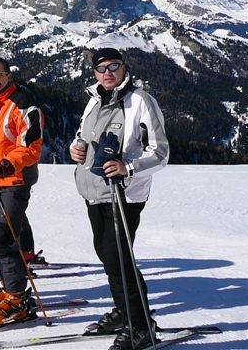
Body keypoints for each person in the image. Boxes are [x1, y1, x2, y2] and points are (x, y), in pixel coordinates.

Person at [70, 47, 169, 350]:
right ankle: (123, 312)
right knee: (108, 255)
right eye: (101, 68)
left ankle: (140, 326)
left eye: (114, 66)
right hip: (93, 191)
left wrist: (128, 168)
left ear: (125, 68)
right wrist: (76, 148)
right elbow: (82, 136)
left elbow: (161, 152)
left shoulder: (140, 101)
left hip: (123, 193)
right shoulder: (93, 100)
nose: (108, 72)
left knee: (119, 259)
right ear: (94, 73)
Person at [0, 57, 44, 328]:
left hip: (14, 181)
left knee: (4, 238)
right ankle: (9, 289)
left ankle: (17, 298)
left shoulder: (22, 103)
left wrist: (4, 165)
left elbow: (32, 146)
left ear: (9, 76)